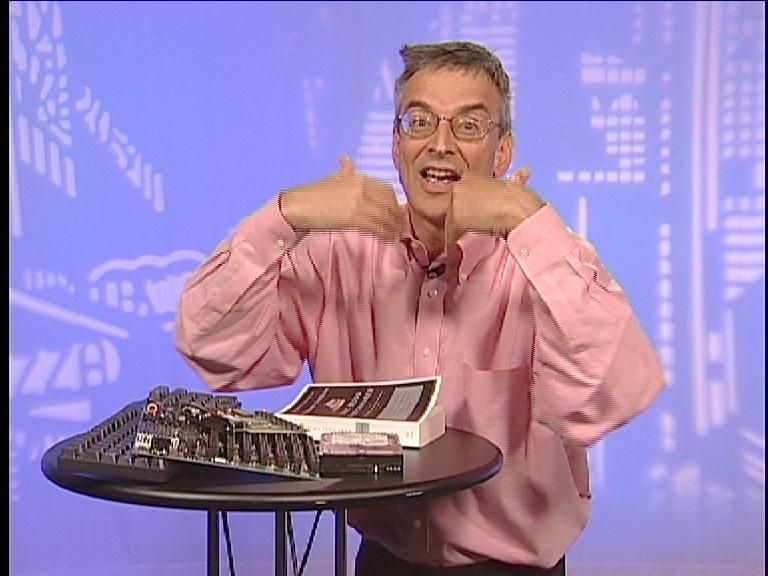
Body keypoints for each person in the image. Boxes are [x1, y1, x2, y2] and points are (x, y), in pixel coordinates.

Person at [175, 41, 665, 576]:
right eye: (420, 121)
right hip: (384, 561)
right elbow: (211, 343)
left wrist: (527, 219)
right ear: (396, 144)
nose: (441, 144)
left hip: (511, 567)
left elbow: (612, 393)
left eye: (469, 126)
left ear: (503, 152)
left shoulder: (545, 262)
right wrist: (284, 215)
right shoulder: (337, 254)